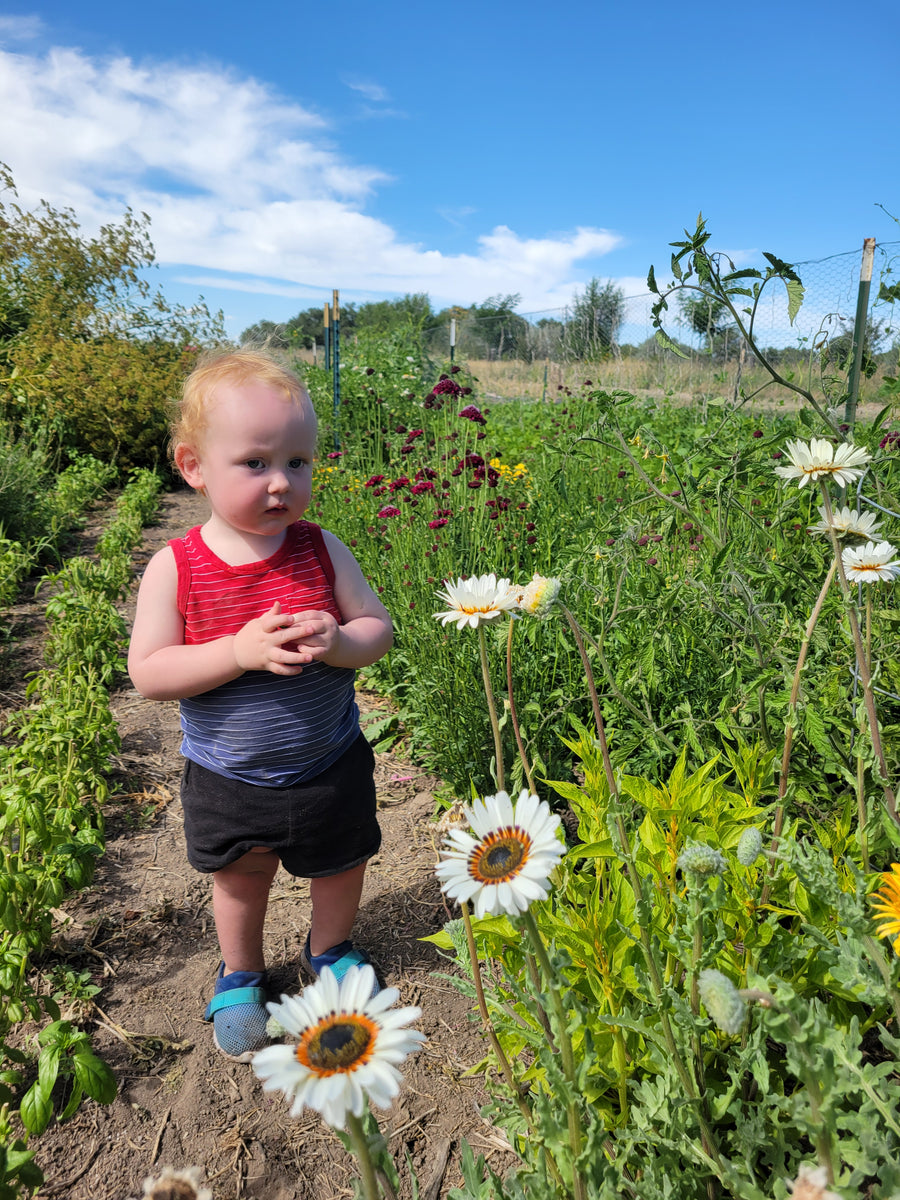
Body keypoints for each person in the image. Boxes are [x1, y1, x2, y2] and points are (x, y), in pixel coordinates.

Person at [127, 349, 393, 1062]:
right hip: (229, 774)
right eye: (255, 463)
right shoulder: (176, 567)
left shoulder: (322, 550)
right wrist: (237, 653)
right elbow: (150, 672)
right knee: (242, 879)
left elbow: (379, 632)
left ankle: (330, 948)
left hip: (329, 758)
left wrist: (339, 640)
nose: (282, 482)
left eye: (299, 462)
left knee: (342, 861)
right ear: (194, 467)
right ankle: (240, 973)